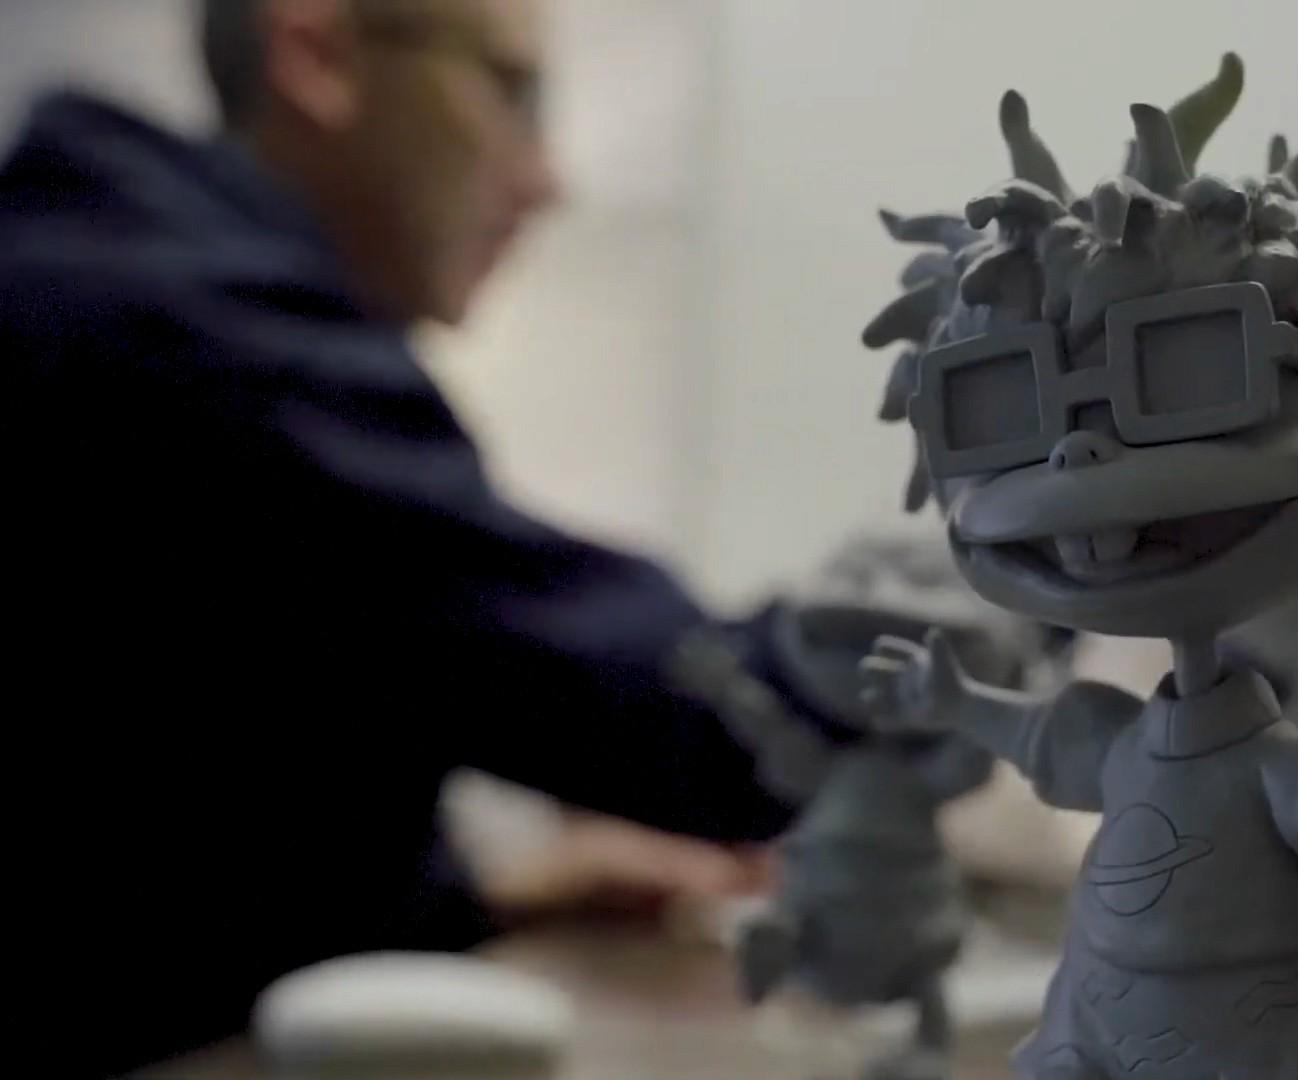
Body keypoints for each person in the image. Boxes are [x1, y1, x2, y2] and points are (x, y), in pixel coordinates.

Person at [0, 0, 849, 1074]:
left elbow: (148, 859)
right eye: (514, 92)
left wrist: (477, 895)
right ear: (317, 49)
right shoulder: (187, 331)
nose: (548, 179)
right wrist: (1007, 579)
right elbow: (718, 723)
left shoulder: (96, 275)